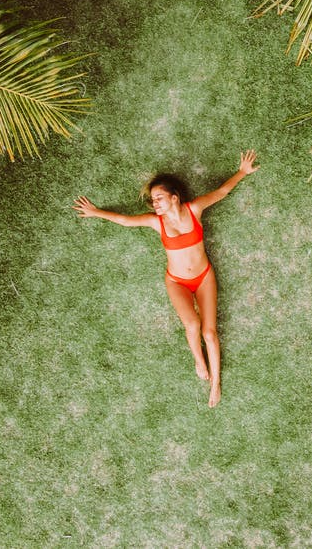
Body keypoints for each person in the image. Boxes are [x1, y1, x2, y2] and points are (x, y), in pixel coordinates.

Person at [73, 150, 259, 407]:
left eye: (159, 198)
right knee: (192, 326)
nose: (156, 203)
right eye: (153, 200)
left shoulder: (195, 209)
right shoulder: (156, 222)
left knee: (210, 332)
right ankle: (198, 360)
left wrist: (242, 172)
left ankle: (215, 382)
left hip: (204, 277)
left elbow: (221, 192)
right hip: (177, 281)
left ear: (175, 197)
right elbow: (125, 221)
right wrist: (96, 213)